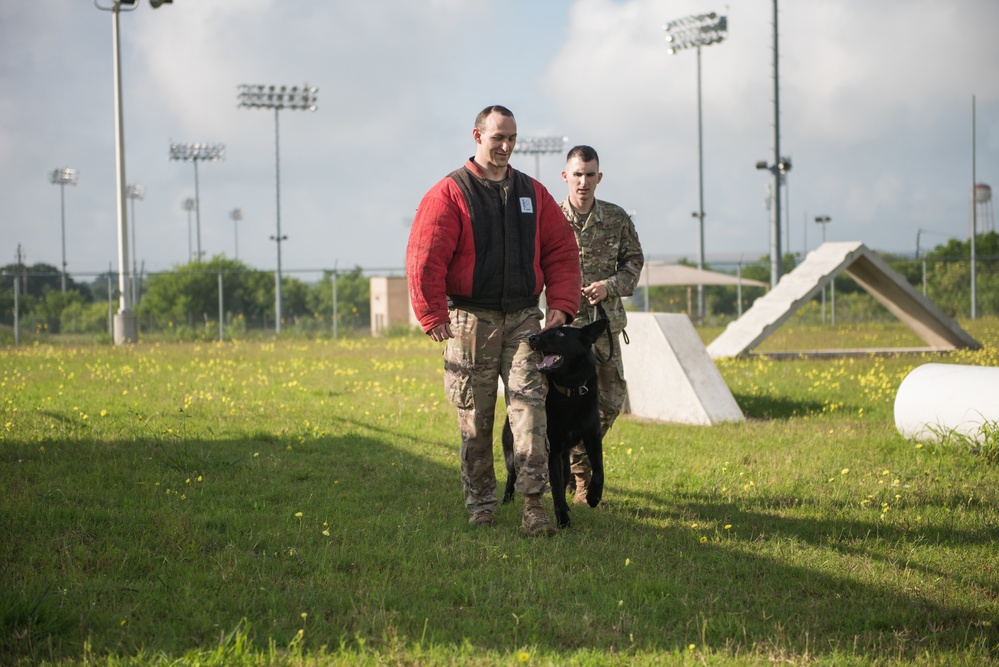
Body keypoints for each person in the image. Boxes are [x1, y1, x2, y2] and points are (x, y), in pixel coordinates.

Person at [406, 105, 582, 536]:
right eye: (497, 138)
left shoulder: (533, 193)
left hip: (525, 320)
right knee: (475, 416)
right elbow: (424, 254)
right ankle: (481, 503)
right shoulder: (450, 193)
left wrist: (562, 302)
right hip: (470, 321)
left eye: (512, 139)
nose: (505, 147)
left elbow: (561, 250)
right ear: (477, 135)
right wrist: (431, 313)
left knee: (530, 409)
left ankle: (533, 506)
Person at [559, 145, 644, 505]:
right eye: (577, 174)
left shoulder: (616, 217)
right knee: (561, 406)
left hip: (603, 327)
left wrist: (607, 286)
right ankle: (577, 478)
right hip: (562, 330)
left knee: (610, 401)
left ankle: (576, 462)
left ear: (599, 177)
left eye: (590, 174)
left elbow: (633, 264)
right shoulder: (550, 217)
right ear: (566, 176)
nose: (583, 181)